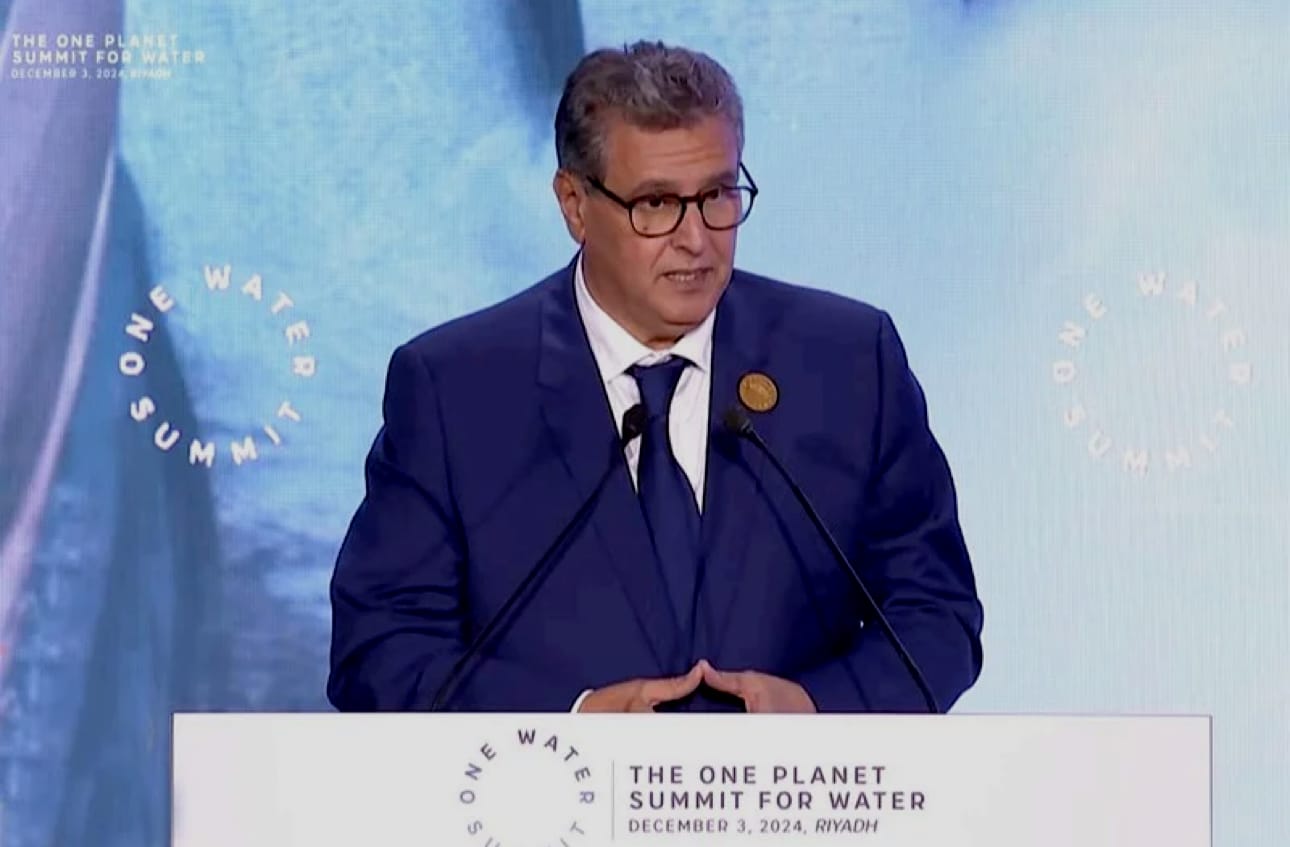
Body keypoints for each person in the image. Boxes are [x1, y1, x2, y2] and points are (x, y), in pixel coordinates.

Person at [327, 40, 983, 714]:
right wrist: (574, 720)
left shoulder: (847, 363)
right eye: (656, 203)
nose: (696, 238)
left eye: (717, 195)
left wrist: (818, 710)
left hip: (798, 784)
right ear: (574, 204)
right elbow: (379, 650)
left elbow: (935, 614)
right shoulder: (454, 390)